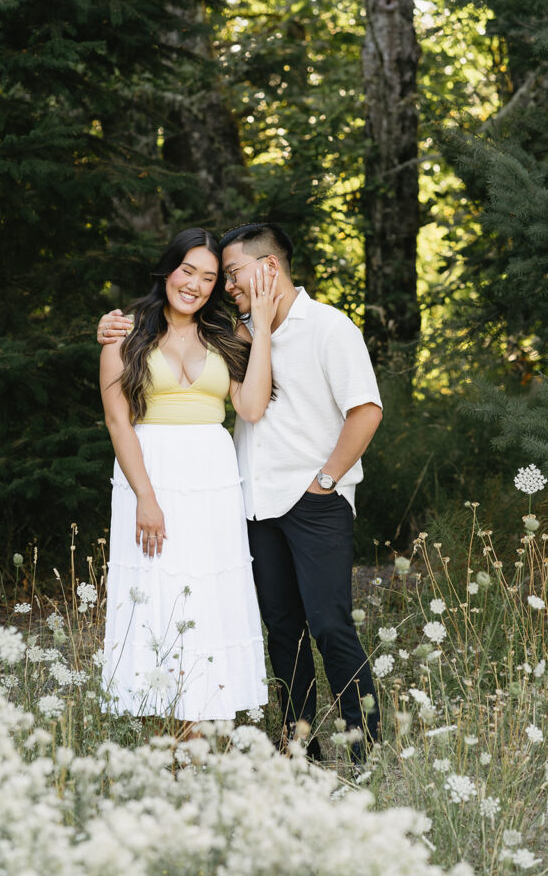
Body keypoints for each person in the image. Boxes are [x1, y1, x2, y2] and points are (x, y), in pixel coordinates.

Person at [99, 222, 383, 757]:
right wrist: (110, 329)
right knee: (277, 626)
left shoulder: (310, 328)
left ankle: (367, 742)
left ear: (268, 268)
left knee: (321, 621)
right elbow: (127, 402)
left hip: (292, 494)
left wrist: (327, 481)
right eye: (201, 273)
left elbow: (346, 409)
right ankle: (297, 745)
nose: (214, 285)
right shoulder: (193, 331)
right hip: (241, 497)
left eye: (223, 275)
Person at [99, 227, 281, 722]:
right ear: (168, 270)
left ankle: (200, 724)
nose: (196, 285)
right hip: (150, 470)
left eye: (209, 277)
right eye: (188, 271)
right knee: (157, 590)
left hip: (212, 477)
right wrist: (145, 496)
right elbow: (119, 421)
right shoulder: (125, 333)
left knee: (207, 592)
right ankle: (165, 721)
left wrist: (260, 329)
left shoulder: (227, 335)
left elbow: (250, 406)